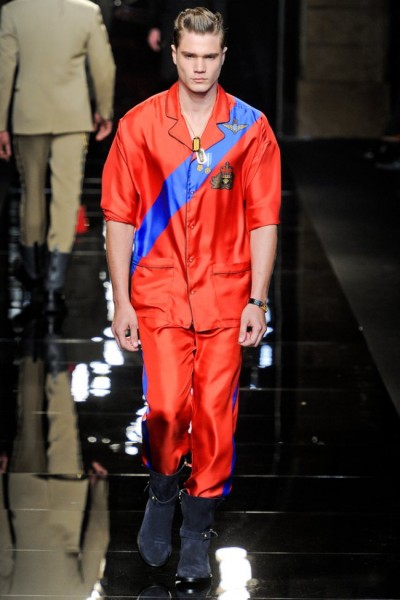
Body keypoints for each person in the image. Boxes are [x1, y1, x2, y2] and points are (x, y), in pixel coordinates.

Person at [101, 7, 281, 586]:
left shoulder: (251, 127)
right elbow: (118, 216)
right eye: (191, 56)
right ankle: (161, 490)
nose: (200, 68)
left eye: (210, 57)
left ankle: (198, 525)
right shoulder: (139, 126)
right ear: (174, 55)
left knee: (214, 417)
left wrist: (258, 299)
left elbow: (264, 219)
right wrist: (122, 301)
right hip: (159, 292)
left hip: (227, 294)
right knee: (166, 409)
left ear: (223, 57)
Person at [0, 0, 116, 314]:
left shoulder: (14, 11)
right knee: (66, 197)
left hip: (28, 114)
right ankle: (54, 286)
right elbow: (103, 67)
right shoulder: (86, 11)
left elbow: (4, 70)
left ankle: (33, 272)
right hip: (72, 115)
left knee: (32, 193)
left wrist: (1, 123)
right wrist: (104, 110)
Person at [147, 0, 226, 90]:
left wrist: (218, 33)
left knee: (198, 74)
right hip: (171, 24)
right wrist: (154, 25)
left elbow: (219, 7)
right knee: (169, 74)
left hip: (201, 27)